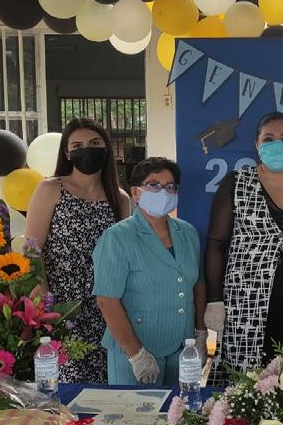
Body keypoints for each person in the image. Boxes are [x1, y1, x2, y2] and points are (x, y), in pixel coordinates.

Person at [204, 112, 283, 384]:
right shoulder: (237, 182)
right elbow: (216, 242)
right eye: (269, 139)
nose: (277, 144)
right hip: (245, 301)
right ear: (257, 145)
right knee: (244, 381)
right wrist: (214, 300)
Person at [24, 118, 130, 383]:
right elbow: (32, 249)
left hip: (106, 308)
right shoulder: (51, 189)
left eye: (94, 143)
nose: (87, 150)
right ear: (67, 153)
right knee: (64, 387)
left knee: (106, 388)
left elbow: (125, 255)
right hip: (61, 308)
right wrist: (42, 303)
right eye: (78, 145)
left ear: (106, 148)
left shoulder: (120, 199)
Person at [93, 157, 206, 385]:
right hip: (134, 351)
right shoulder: (118, 237)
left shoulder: (188, 233)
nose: (163, 192)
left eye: (170, 187)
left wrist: (201, 334)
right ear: (136, 192)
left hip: (182, 349)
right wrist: (136, 354)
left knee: (181, 407)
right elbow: (107, 301)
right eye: (154, 185)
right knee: (134, 409)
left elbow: (198, 285)